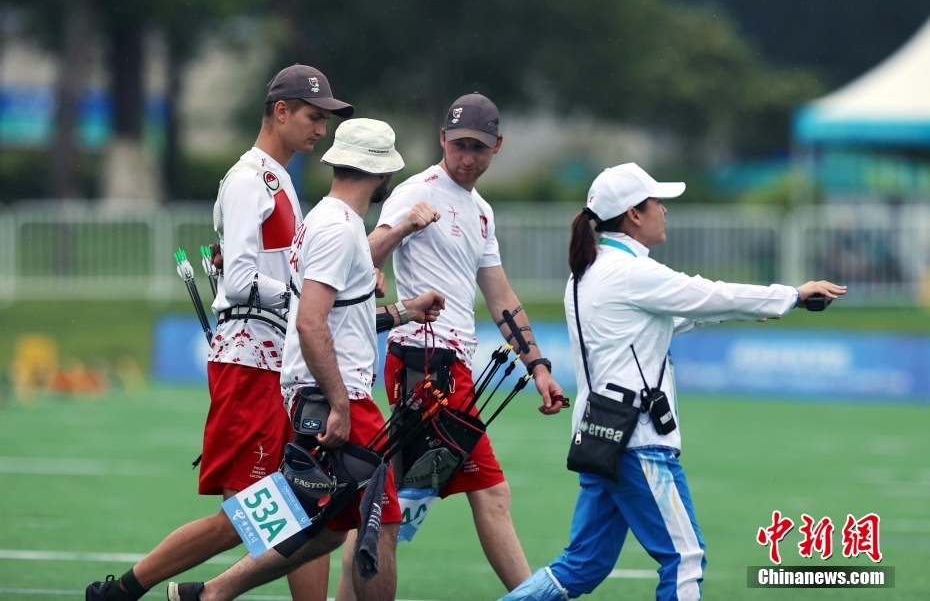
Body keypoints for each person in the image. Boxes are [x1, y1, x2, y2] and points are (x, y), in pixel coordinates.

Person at [500, 163, 847, 601]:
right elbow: (705, 293)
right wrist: (791, 295)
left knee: (581, 566)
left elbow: (675, 316)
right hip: (637, 440)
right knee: (684, 559)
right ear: (634, 215)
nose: (665, 210)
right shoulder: (631, 272)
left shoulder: (589, 271)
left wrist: (761, 306)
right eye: (657, 202)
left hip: (600, 436)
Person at [85, 64, 353, 601]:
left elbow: (255, 271)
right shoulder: (250, 179)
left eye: (325, 119)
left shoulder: (278, 179)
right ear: (280, 111)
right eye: (313, 116)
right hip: (248, 364)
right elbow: (237, 282)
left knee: (300, 505)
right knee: (251, 517)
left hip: (275, 364)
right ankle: (124, 591)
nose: (321, 129)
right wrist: (311, 297)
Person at [167, 118, 446, 601]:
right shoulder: (338, 229)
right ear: (382, 175)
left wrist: (404, 310)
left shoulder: (330, 220)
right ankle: (208, 593)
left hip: (323, 389)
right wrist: (339, 403)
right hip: (337, 394)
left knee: (334, 526)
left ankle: (210, 594)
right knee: (380, 522)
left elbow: (337, 314)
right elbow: (310, 322)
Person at [335, 93, 565, 598]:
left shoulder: (481, 212)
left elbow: (500, 294)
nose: (466, 156)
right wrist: (403, 227)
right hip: (424, 363)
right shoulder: (415, 192)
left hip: (448, 365)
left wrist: (539, 368)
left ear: (496, 147)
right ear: (442, 139)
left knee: (384, 503)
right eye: (458, 145)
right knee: (489, 494)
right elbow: (357, 256)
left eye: (477, 148)